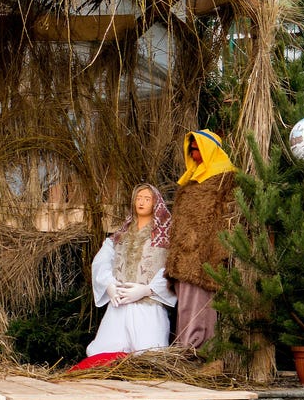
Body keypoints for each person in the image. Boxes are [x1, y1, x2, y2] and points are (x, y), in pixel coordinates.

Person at [74, 184, 175, 368]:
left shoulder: (166, 238)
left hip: (148, 308)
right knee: (102, 355)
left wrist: (148, 289)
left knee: (151, 357)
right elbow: (101, 260)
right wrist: (109, 285)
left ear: (155, 203)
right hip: (119, 306)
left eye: (147, 198)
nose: (141, 202)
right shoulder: (120, 236)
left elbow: (172, 266)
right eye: (138, 198)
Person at [165, 130, 238, 350]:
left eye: (197, 148)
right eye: (191, 148)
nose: (192, 152)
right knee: (186, 303)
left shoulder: (226, 179)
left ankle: (197, 348)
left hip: (204, 256)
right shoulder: (192, 180)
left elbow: (230, 218)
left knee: (200, 304)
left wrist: (218, 252)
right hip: (184, 254)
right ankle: (185, 347)